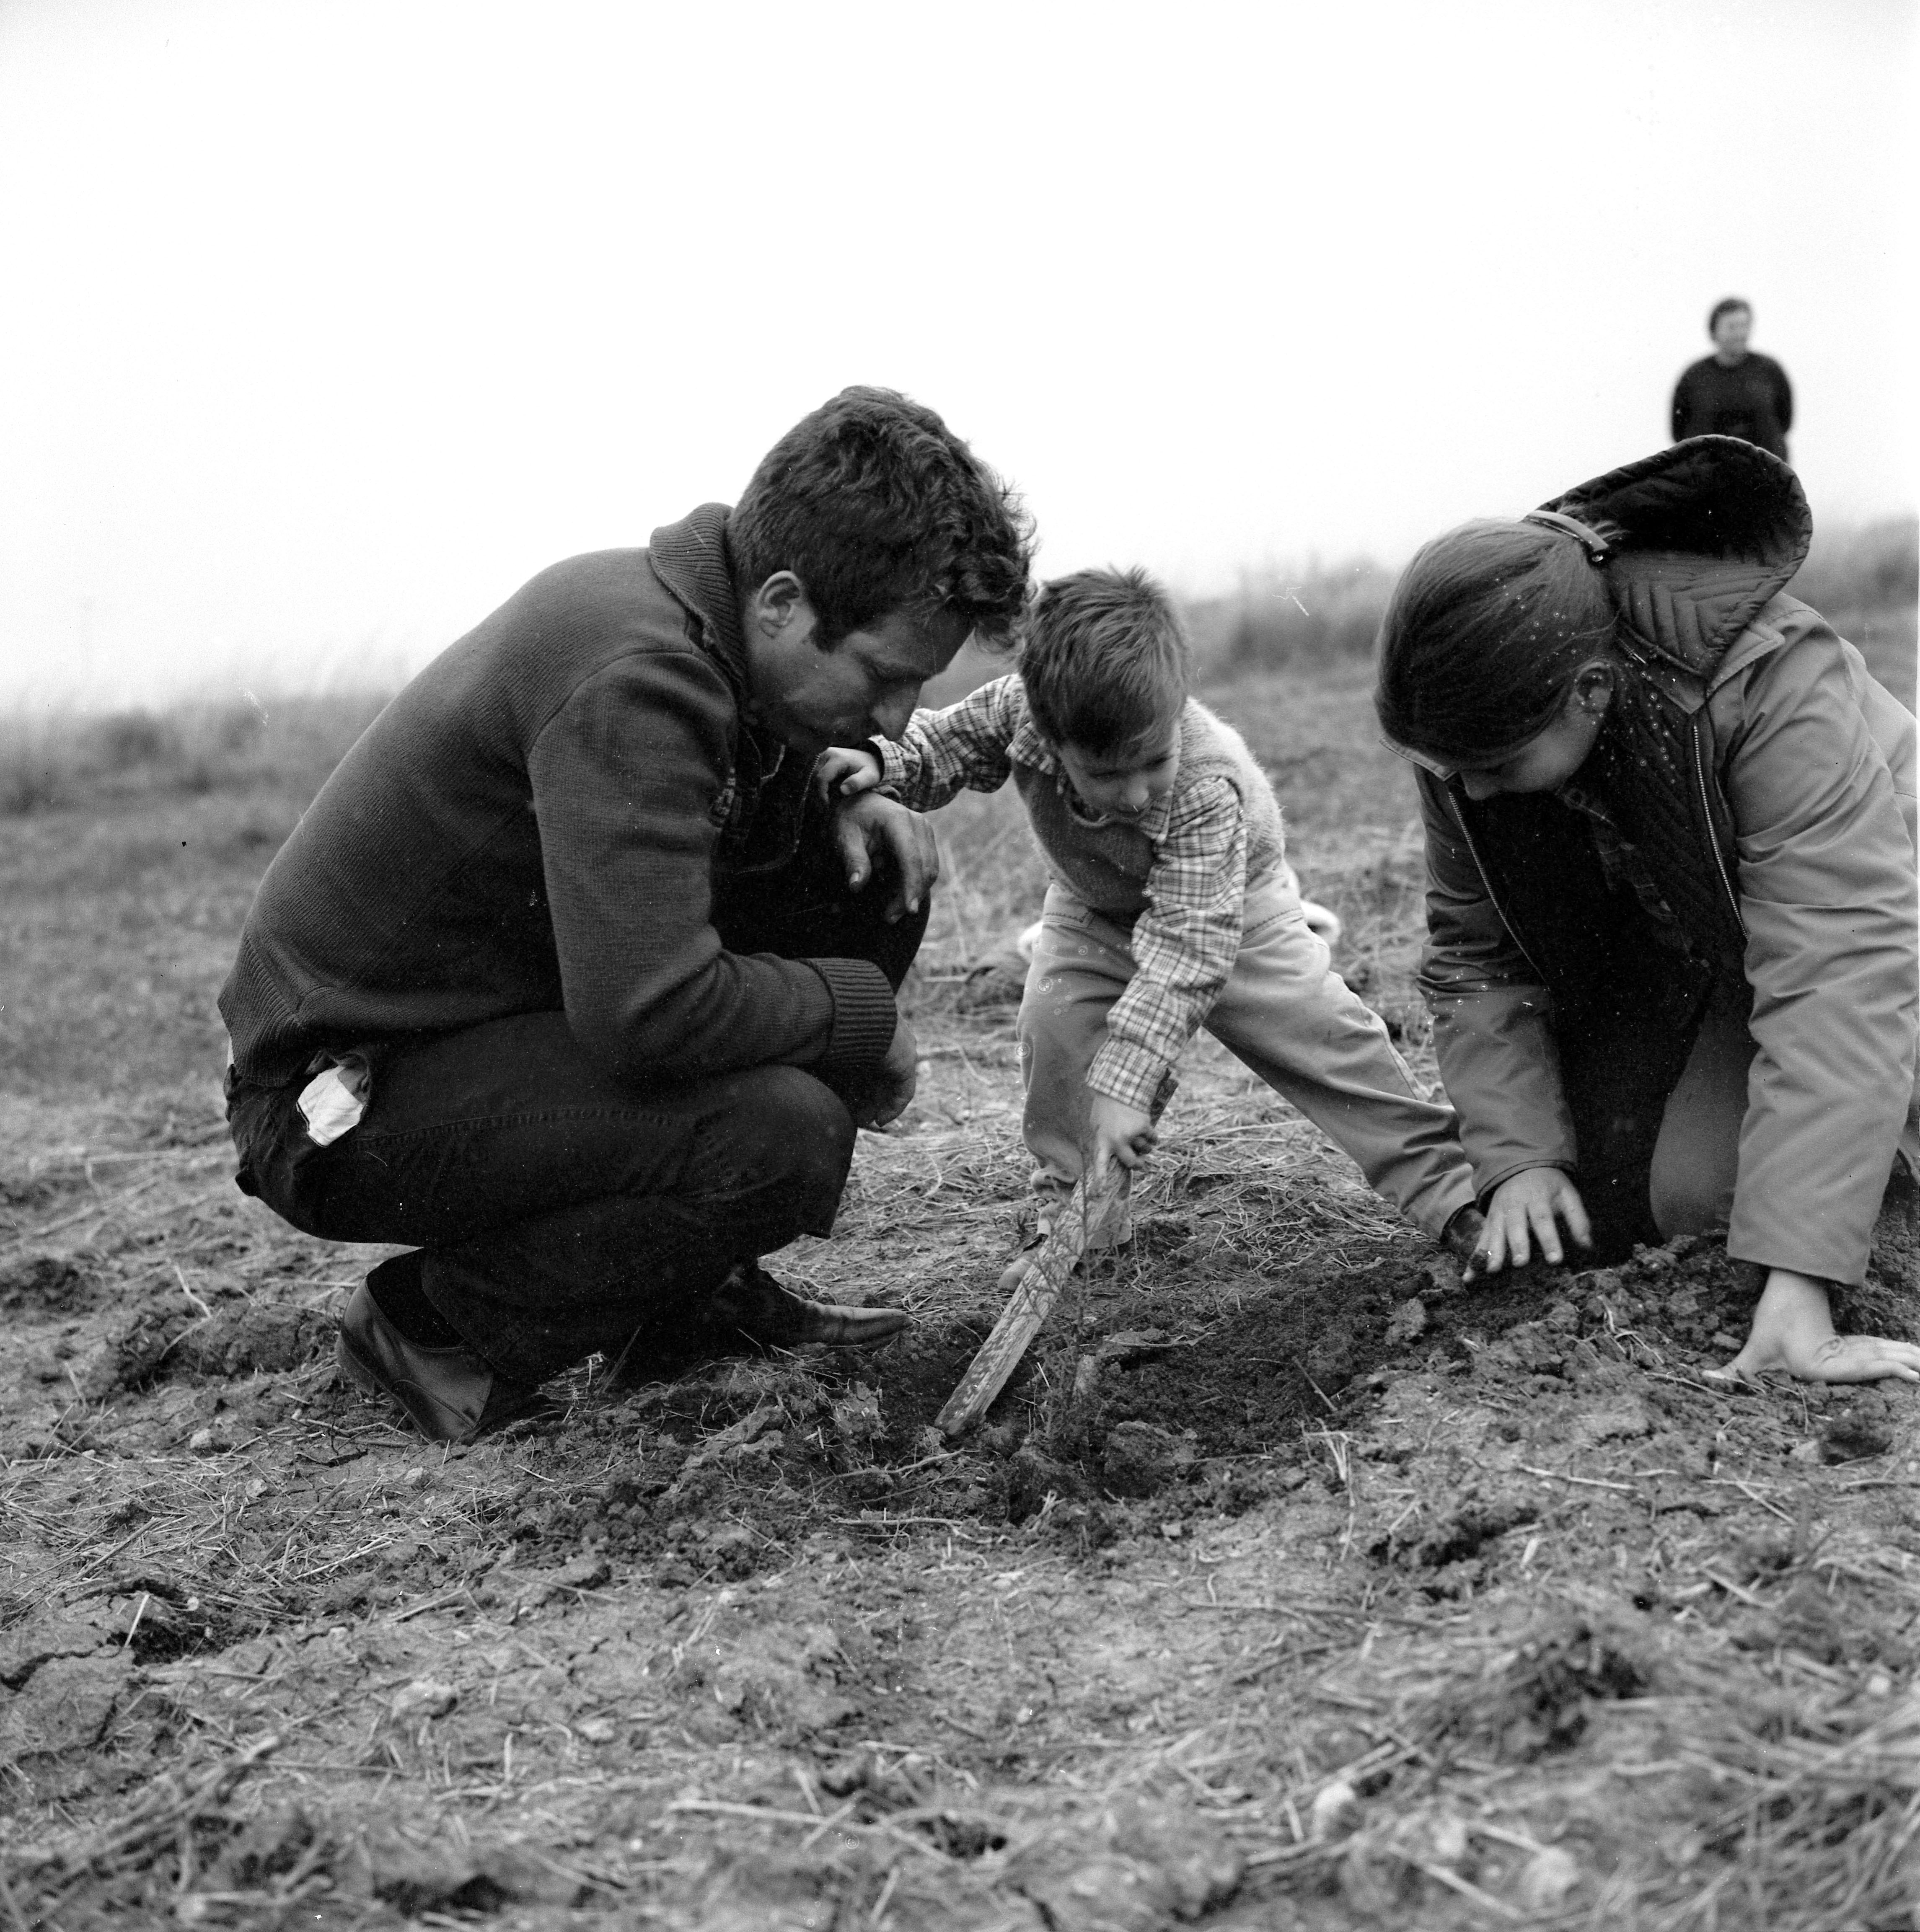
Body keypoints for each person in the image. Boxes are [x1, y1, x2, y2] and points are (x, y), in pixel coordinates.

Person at [219, 387, 1033, 1442]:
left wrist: (841, 785)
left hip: (490, 1027)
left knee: (865, 872)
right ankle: (435, 1326)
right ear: (781, 601)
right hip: (338, 1093)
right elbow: (648, 1009)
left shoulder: (716, 632)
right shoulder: (636, 669)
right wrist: (858, 1012)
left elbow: (700, 866)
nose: (894, 719)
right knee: (781, 1135)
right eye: (882, 677)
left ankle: (681, 1296)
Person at [1374, 435, 1920, 1385]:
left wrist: (1798, 1285)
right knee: (1688, 1199)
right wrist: (1517, 1159)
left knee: (1789, 1208)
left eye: (1490, 768)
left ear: (1589, 693)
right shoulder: (1470, 739)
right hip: (1734, 950)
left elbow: (1840, 965)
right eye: (1445, 770)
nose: (1467, 791)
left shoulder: (1770, 682)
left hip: (1882, 910)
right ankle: (1849, 1159)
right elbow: (1473, 953)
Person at [818, 567, 1483, 1270]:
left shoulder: (1204, 783)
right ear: (1048, 731)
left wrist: (1128, 1087)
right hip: (1093, 903)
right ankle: (1081, 1216)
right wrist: (879, 760)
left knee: (1325, 1037)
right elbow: (947, 743)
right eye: (1105, 774)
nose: (1134, 794)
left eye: (1152, 761)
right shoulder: (1019, 711)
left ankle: (1454, 1194)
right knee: (1056, 1028)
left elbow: (1186, 951)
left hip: (1230, 908)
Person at [1670, 298, 1793, 461]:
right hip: (1707, 474)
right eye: (1731, 327)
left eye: (1744, 326)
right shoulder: (1694, 377)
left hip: (1764, 473)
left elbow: (1785, 420)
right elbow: (1679, 430)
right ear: (1714, 331)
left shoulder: (1769, 371)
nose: (1739, 334)